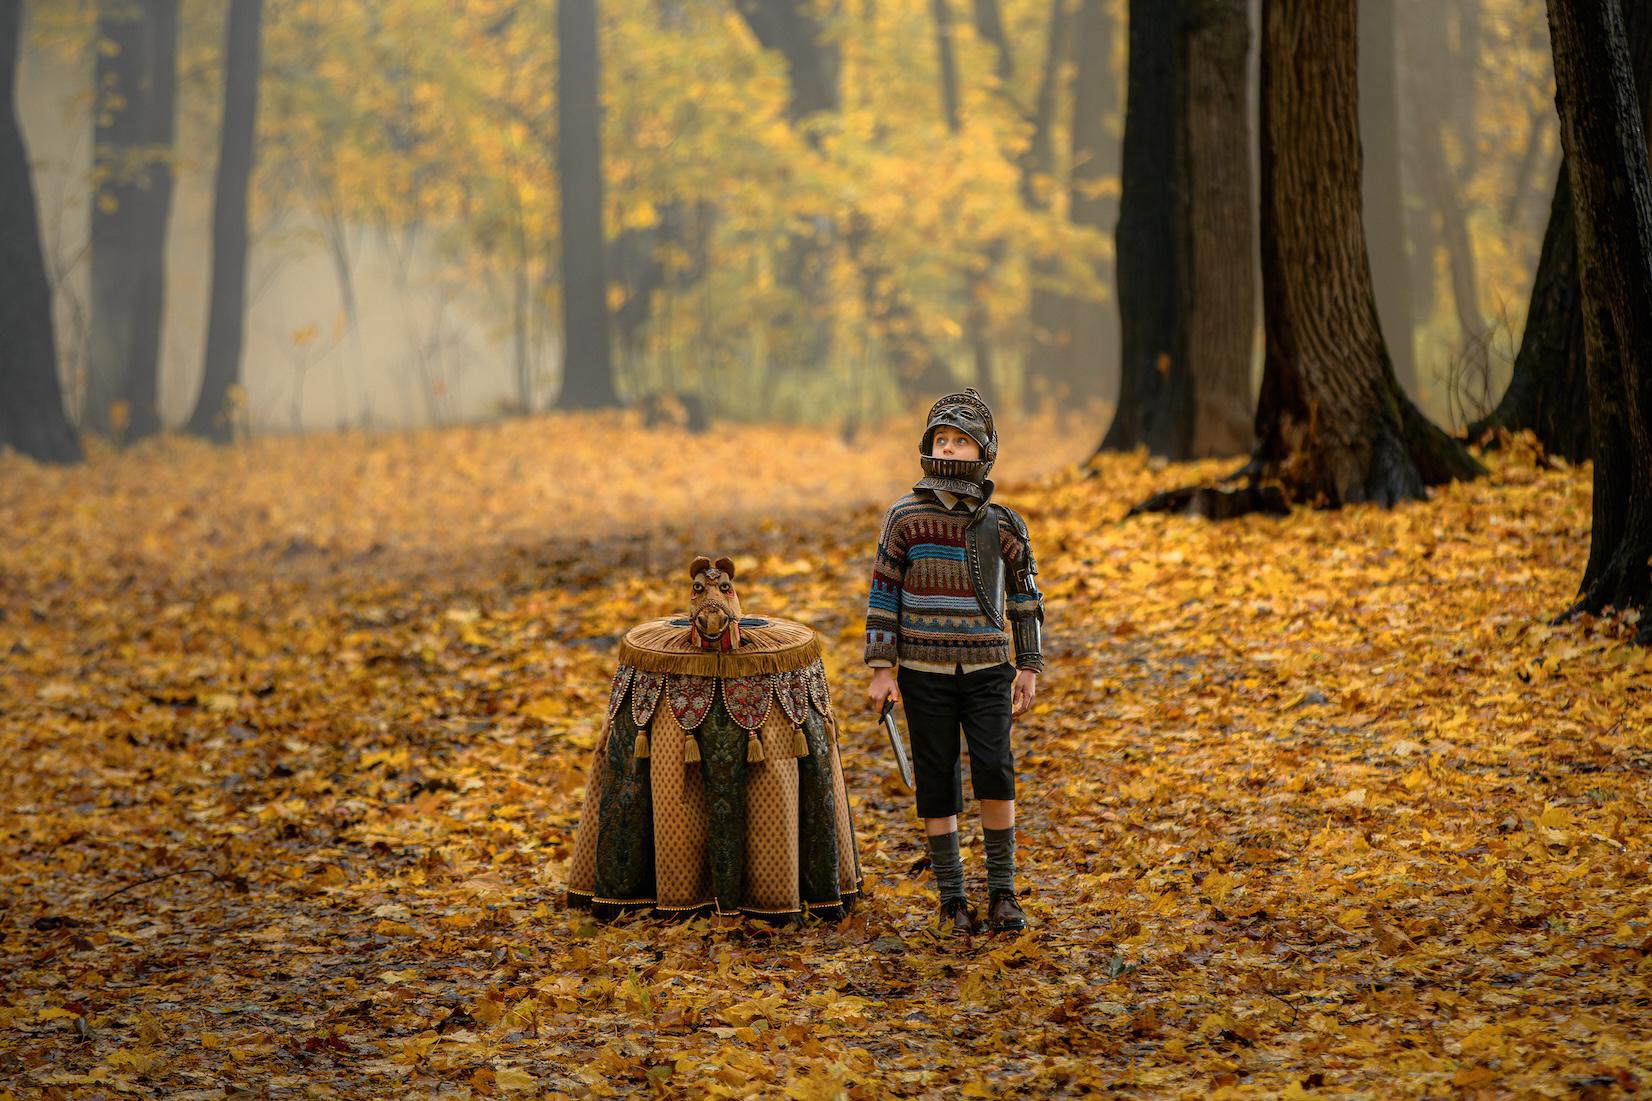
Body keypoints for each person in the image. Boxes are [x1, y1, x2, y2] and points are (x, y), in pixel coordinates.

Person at [864, 388, 1045, 936]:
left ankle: (1003, 893)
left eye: (961, 441)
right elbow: (883, 593)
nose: (949, 447)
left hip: (989, 669)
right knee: (936, 778)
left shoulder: (1004, 524)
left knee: (995, 769)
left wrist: (1029, 664)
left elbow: (1026, 597)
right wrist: (881, 667)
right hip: (923, 673)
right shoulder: (905, 518)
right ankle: (951, 899)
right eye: (941, 438)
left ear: (984, 452)